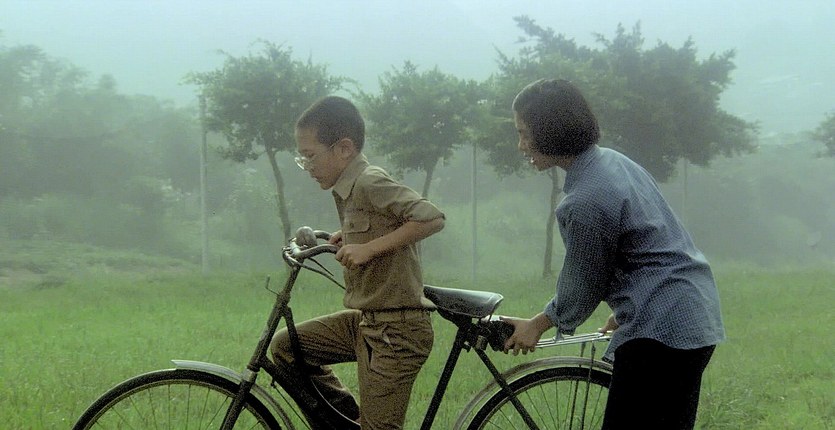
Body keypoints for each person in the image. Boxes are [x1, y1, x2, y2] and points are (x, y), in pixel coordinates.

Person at [501, 78, 725, 429]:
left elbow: (584, 283)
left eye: (524, 133)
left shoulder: (584, 201)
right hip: (693, 314)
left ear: (550, 130)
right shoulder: (613, 162)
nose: (521, 145)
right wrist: (627, 312)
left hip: (661, 331)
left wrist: (537, 325)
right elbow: (652, 245)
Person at [270, 95, 445, 429]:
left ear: (344, 148)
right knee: (286, 348)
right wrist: (349, 237)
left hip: (397, 331)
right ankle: (348, 422)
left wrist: (369, 249)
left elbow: (431, 218)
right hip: (367, 322)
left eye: (310, 156)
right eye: (301, 158)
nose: (307, 166)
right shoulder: (347, 189)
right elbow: (381, 222)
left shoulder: (369, 180)